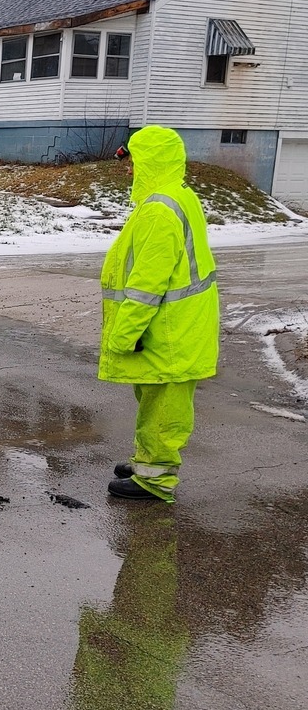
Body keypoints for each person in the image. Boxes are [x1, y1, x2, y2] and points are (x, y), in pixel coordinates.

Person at [99, 125, 219, 501]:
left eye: (133, 161)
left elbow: (147, 285)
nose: (129, 169)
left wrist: (123, 334)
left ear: (150, 161)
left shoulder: (159, 211)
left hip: (169, 329)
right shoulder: (175, 196)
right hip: (176, 327)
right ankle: (146, 460)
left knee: (164, 408)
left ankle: (155, 478)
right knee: (154, 399)